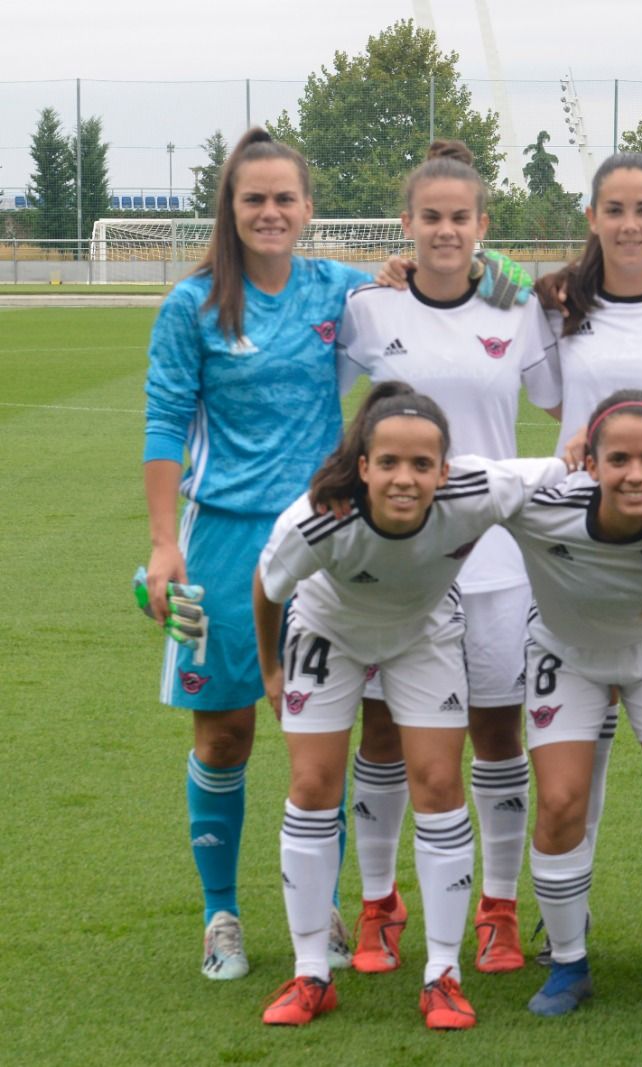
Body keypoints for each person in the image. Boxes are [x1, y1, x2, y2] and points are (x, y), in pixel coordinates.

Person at [143, 129, 392, 982]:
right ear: (231, 207)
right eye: (255, 198)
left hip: (325, 540)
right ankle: (221, 913)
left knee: (316, 734)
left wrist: (499, 274)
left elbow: (448, 287)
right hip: (222, 542)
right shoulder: (193, 306)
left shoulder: (342, 290)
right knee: (225, 735)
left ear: (308, 207)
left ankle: (318, 900)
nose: (271, 211)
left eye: (286, 197)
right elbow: (163, 425)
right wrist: (163, 541)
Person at [252, 383, 568, 1028]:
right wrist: (272, 667)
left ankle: (442, 974)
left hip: (423, 630)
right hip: (328, 631)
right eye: (388, 463)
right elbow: (267, 588)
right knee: (312, 782)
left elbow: (562, 466)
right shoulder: (317, 516)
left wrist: (586, 450)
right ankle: (311, 970)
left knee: (438, 782)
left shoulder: (479, 488)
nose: (405, 478)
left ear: (445, 470)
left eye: (422, 465)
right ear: (362, 466)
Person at [335, 140, 559, 977]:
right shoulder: (370, 309)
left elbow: (562, 397)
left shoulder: (516, 308)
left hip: (497, 559)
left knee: (497, 732)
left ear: (481, 226)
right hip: (395, 561)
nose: (444, 231)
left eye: (459, 218)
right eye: (429, 218)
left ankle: (499, 909)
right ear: (406, 224)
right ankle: (378, 903)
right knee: (386, 728)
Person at [504, 391, 642, 1018]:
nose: (637, 474)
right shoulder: (542, 506)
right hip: (566, 654)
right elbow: (459, 484)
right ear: (591, 462)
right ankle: (569, 966)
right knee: (558, 802)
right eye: (620, 458)